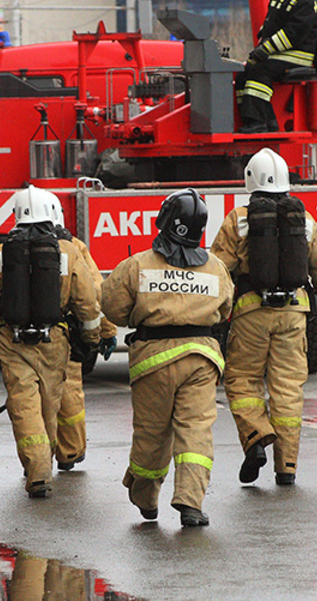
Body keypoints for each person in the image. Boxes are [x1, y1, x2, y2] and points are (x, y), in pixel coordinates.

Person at [102, 188, 233, 527]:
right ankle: (190, 502)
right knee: (196, 431)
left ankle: (146, 499)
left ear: (164, 221)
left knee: (151, 433)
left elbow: (112, 307)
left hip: (152, 362)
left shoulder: (137, 265)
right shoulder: (216, 268)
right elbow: (226, 308)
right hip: (202, 359)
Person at [210, 148, 317, 487]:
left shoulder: (236, 219)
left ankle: (255, 436)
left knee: (242, 381)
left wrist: (216, 317)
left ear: (249, 178)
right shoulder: (306, 220)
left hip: (252, 312)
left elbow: (220, 272)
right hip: (294, 315)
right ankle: (287, 467)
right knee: (287, 390)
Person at [0, 186, 101, 498]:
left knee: (24, 406)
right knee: (50, 405)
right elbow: (88, 300)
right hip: (54, 340)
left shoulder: (0, 255)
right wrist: (92, 338)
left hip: (12, 342)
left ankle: (38, 473)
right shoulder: (69, 252)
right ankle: (49, 460)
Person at [50, 202, 117, 473]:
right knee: (69, 392)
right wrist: (106, 331)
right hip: (66, 334)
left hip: (18, 340)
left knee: (29, 400)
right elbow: (93, 291)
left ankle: (36, 462)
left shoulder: (6, 249)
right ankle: (70, 452)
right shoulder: (73, 246)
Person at [238, 0, 317, 134]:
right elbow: (270, 23)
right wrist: (260, 44)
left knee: (261, 70)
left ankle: (258, 123)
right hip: (282, 51)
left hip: (299, 53)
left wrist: (265, 50)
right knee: (244, 73)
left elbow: (292, 34)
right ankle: (267, 122)